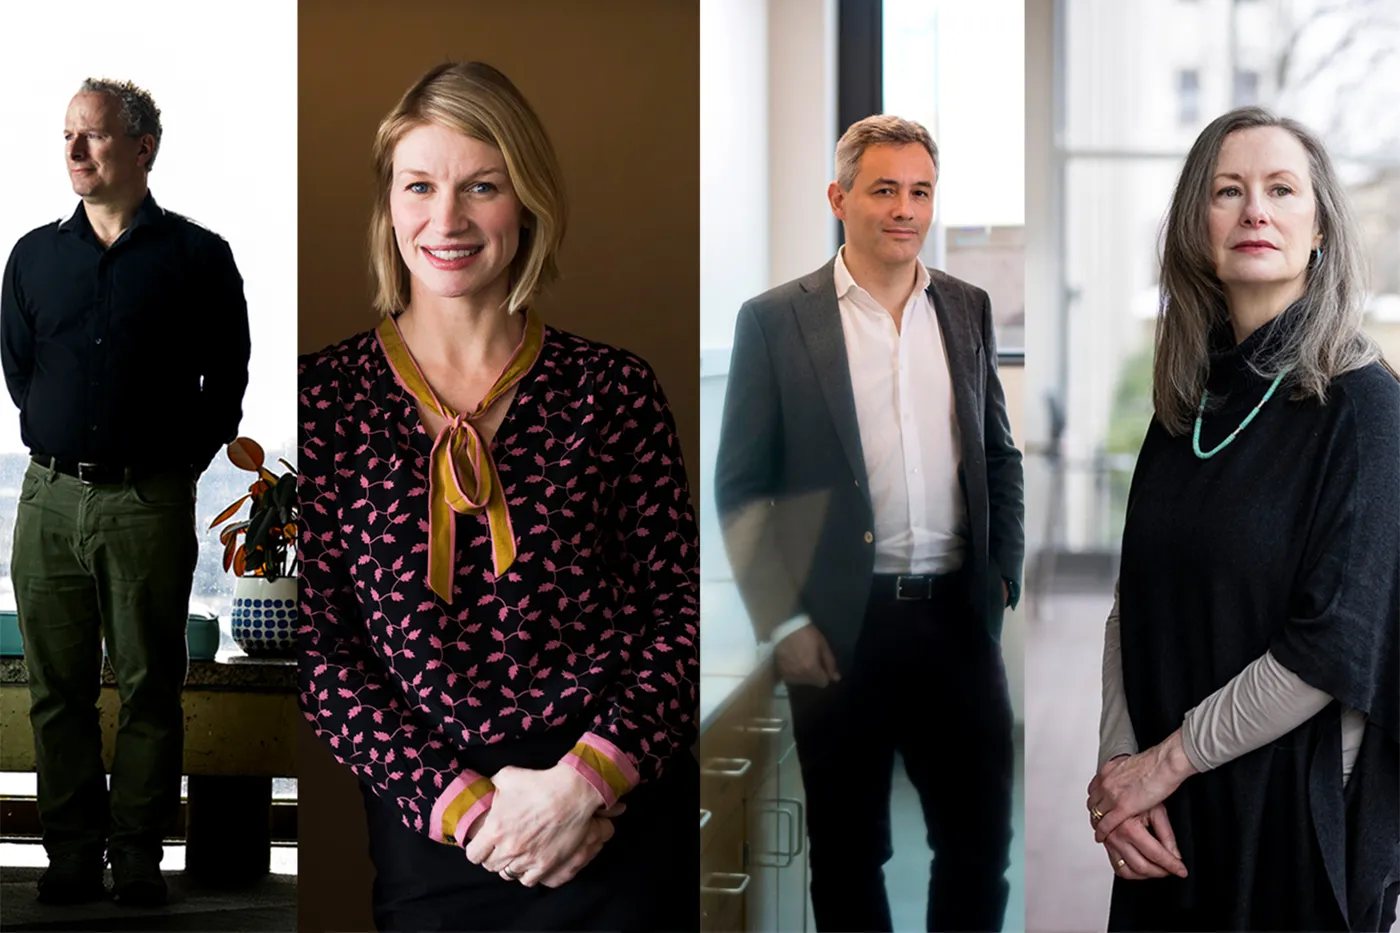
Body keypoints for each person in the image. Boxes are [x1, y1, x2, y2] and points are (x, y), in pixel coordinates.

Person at [297, 61, 699, 932]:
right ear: (389, 207)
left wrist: (586, 781)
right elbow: (322, 651)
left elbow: (681, 614)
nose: (446, 219)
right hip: (435, 830)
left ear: (528, 203)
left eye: (482, 186)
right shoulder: (322, 398)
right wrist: (471, 809)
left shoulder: (615, 389)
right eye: (420, 186)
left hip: (612, 818)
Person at [1087, 107, 1399, 931]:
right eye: (1228, 190)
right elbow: (1132, 602)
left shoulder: (1363, 409)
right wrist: (1119, 768)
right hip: (1161, 823)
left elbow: (1331, 644)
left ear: (1320, 227)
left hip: (1285, 824)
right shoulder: (1184, 403)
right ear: (1198, 227)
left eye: (1280, 189)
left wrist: (1162, 763)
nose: (1254, 209)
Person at [714, 114, 1024, 932]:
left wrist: (1002, 576)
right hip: (839, 635)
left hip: (959, 622)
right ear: (838, 197)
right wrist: (781, 620)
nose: (904, 209)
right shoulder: (776, 321)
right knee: (849, 855)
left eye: (919, 191)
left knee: (979, 847)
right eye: (884, 189)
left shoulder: (968, 308)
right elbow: (740, 487)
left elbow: (998, 454)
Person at [0, 78, 251, 906]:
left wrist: (174, 463)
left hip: (149, 501)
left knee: (151, 684)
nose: (75, 150)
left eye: (95, 135)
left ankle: (137, 857)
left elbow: (227, 382)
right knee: (56, 689)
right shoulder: (31, 256)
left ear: (143, 147)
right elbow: (21, 373)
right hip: (47, 500)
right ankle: (71, 854)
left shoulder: (199, 256)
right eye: (67, 134)